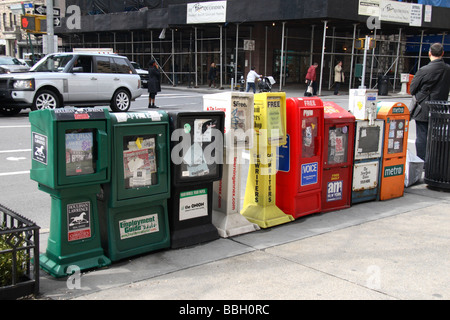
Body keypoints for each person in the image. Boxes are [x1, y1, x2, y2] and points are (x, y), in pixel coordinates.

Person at [410, 42, 450, 161]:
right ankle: (434, 160)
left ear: (429, 53)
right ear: (442, 53)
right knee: (437, 136)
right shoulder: (448, 69)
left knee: (422, 136)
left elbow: (412, 89)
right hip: (440, 108)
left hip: (424, 107)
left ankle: (422, 161)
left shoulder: (424, 70)